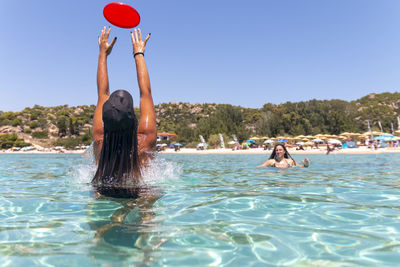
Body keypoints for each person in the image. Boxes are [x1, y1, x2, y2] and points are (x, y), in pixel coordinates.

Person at [91, 27, 156, 198]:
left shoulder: (99, 141)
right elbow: (146, 94)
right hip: (138, 195)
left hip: (103, 194)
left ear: (104, 121)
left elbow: (102, 93)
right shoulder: (145, 142)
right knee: (152, 195)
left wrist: (103, 54)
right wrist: (138, 53)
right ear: (134, 120)